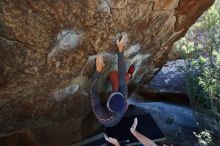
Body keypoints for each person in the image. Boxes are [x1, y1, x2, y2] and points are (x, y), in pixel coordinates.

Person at [90, 34, 135, 127]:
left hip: (111, 121)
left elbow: (92, 91)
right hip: (120, 109)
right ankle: (130, 75)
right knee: (115, 76)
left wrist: (98, 69)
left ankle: (129, 76)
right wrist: (121, 50)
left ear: (107, 103)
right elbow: (121, 74)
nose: (114, 92)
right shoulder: (123, 99)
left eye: (112, 94)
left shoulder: (101, 115)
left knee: (115, 78)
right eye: (116, 93)